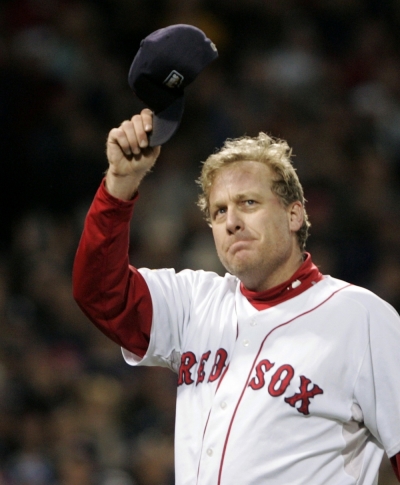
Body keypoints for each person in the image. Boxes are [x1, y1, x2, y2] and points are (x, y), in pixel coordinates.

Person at [73, 109, 400, 485]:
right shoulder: (195, 301)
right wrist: (120, 182)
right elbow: (99, 292)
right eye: (219, 211)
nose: (231, 221)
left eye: (248, 203)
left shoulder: (362, 317)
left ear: (294, 215)